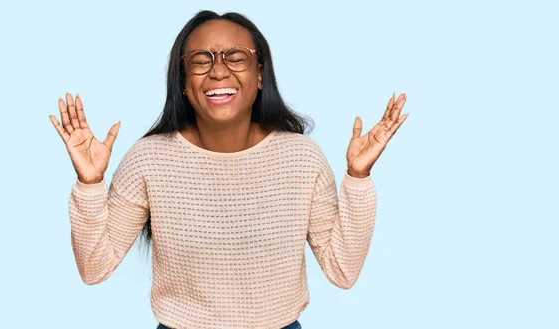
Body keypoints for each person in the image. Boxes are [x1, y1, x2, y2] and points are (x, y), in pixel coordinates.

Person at [49, 10, 408, 329]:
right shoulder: (148, 159)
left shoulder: (302, 157)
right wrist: (90, 183)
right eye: (201, 60)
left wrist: (358, 178)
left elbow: (342, 271)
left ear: (261, 75)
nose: (219, 70)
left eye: (236, 57)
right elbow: (94, 268)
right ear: (183, 81)